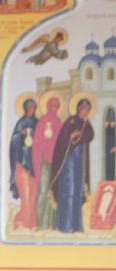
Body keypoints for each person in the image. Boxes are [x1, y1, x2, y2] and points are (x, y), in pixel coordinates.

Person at [50, 97, 95, 233]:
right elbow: (63, 139)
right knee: (68, 191)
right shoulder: (71, 121)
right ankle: (65, 225)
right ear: (79, 109)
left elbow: (90, 134)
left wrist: (80, 135)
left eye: (88, 110)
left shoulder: (86, 124)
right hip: (68, 160)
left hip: (79, 161)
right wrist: (71, 136)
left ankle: (76, 225)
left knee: (77, 191)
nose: (85, 112)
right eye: (84, 109)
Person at [33, 95, 63, 229]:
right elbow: (37, 141)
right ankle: (39, 223)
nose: (54, 109)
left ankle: (50, 224)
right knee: (43, 190)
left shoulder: (59, 121)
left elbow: (61, 140)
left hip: (56, 161)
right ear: (48, 106)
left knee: (53, 191)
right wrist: (45, 139)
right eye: (52, 106)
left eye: (56, 106)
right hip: (45, 160)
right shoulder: (42, 121)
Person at [9, 96, 38, 229]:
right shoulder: (21, 122)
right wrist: (21, 133)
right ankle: (22, 220)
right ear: (25, 108)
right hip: (22, 161)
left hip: (34, 161)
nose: (31, 110)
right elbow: (14, 140)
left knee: (33, 193)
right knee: (25, 194)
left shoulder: (37, 122)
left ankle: (31, 221)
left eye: (33, 107)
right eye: (29, 107)